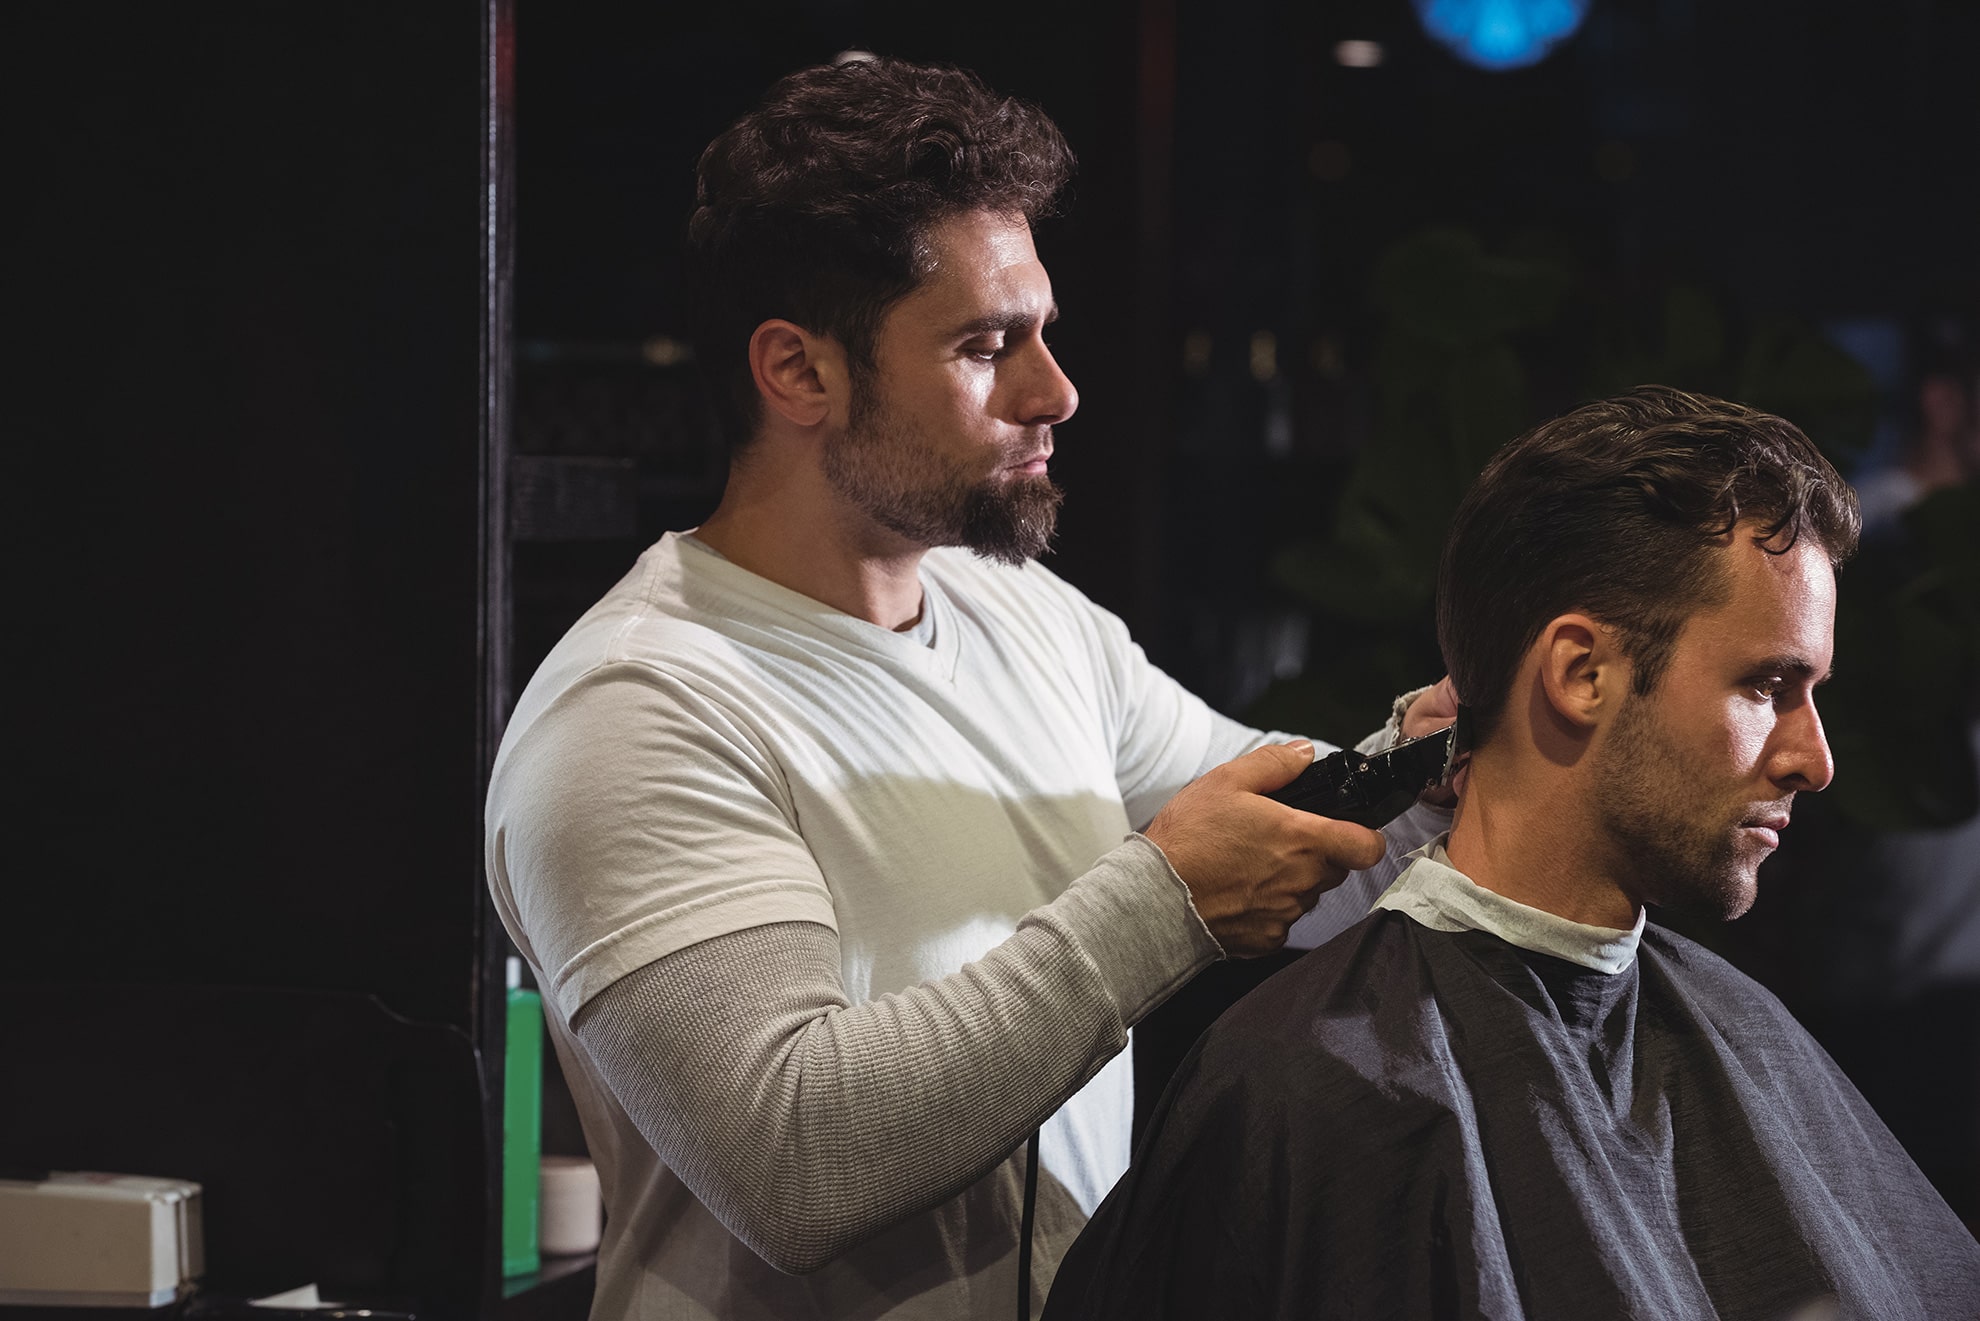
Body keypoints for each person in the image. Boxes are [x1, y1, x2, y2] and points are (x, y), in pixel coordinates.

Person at [483, 56, 1452, 1319]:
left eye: (1041, 332)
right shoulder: (639, 712)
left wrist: (1432, 762)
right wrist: (1162, 903)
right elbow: (795, 1164)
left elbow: (1295, 847)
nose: (1056, 391)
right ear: (799, 373)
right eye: (987, 346)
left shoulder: (1028, 616)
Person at [1043, 386, 1980, 1321]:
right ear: (1581, 673)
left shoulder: (1747, 1038)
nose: (1815, 759)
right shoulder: (1313, 1089)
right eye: (1767, 686)